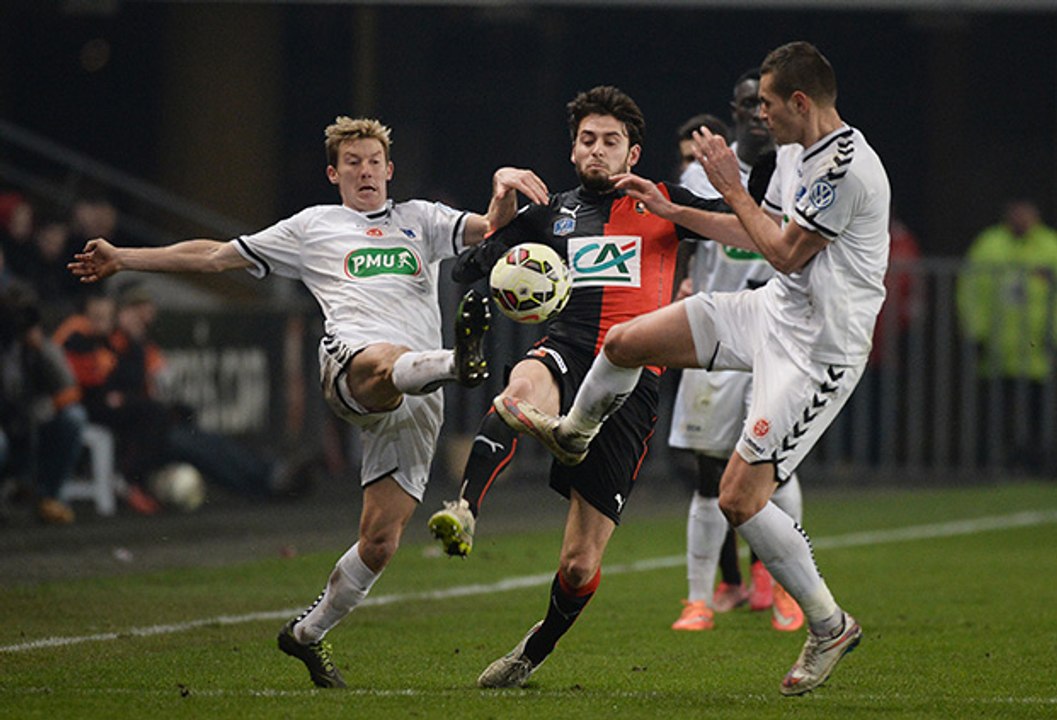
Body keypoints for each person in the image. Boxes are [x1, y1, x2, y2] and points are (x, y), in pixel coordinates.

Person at [68, 116, 546, 688]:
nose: (365, 171)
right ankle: (456, 361)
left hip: (416, 400)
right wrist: (124, 257)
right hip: (352, 364)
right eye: (352, 163)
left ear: (389, 170)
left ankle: (306, 634)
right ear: (333, 174)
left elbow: (493, 228)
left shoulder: (422, 219)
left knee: (380, 542)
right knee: (384, 359)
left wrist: (502, 185)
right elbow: (217, 256)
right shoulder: (313, 227)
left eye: (373, 162)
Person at [498, 43, 890, 696]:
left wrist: (729, 186)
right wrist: (676, 212)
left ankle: (829, 624)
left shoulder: (845, 169)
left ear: (799, 102)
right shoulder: (794, 154)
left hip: (820, 349)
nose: (759, 114)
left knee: (737, 497)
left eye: (767, 103)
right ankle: (573, 433)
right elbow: (759, 234)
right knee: (625, 342)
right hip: (772, 311)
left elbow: (785, 253)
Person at [426, 85, 723, 688]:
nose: (597, 150)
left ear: (632, 154)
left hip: (632, 383)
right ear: (572, 149)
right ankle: (465, 509)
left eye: (611, 141)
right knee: (519, 391)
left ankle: (533, 650)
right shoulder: (550, 214)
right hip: (566, 351)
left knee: (580, 564)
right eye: (587, 139)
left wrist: (706, 201)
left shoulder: (663, 201)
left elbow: (740, 226)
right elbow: (468, 267)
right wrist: (501, 197)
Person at [668, 70, 804, 635]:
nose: (758, 112)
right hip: (719, 335)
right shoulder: (702, 174)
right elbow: (679, 233)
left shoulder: (800, 169)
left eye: (766, 102)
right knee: (708, 474)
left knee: (779, 465)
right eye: (749, 102)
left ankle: (788, 591)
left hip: (780, 336)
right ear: (736, 109)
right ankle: (700, 599)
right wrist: (677, 283)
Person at [956, 199, 1057, 473]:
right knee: (996, 411)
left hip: (1038, 351)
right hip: (997, 348)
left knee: (1038, 412)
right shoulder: (989, 244)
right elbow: (971, 289)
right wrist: (975, 330)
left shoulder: (1050, 245)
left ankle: (1037, 463)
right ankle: (994, 463)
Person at [0, 281, 87, 524]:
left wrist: (41, 348)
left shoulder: (35, 345)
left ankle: (49, 497)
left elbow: (67, 386)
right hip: (5, 422)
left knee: (73, 418)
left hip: (29, 420)